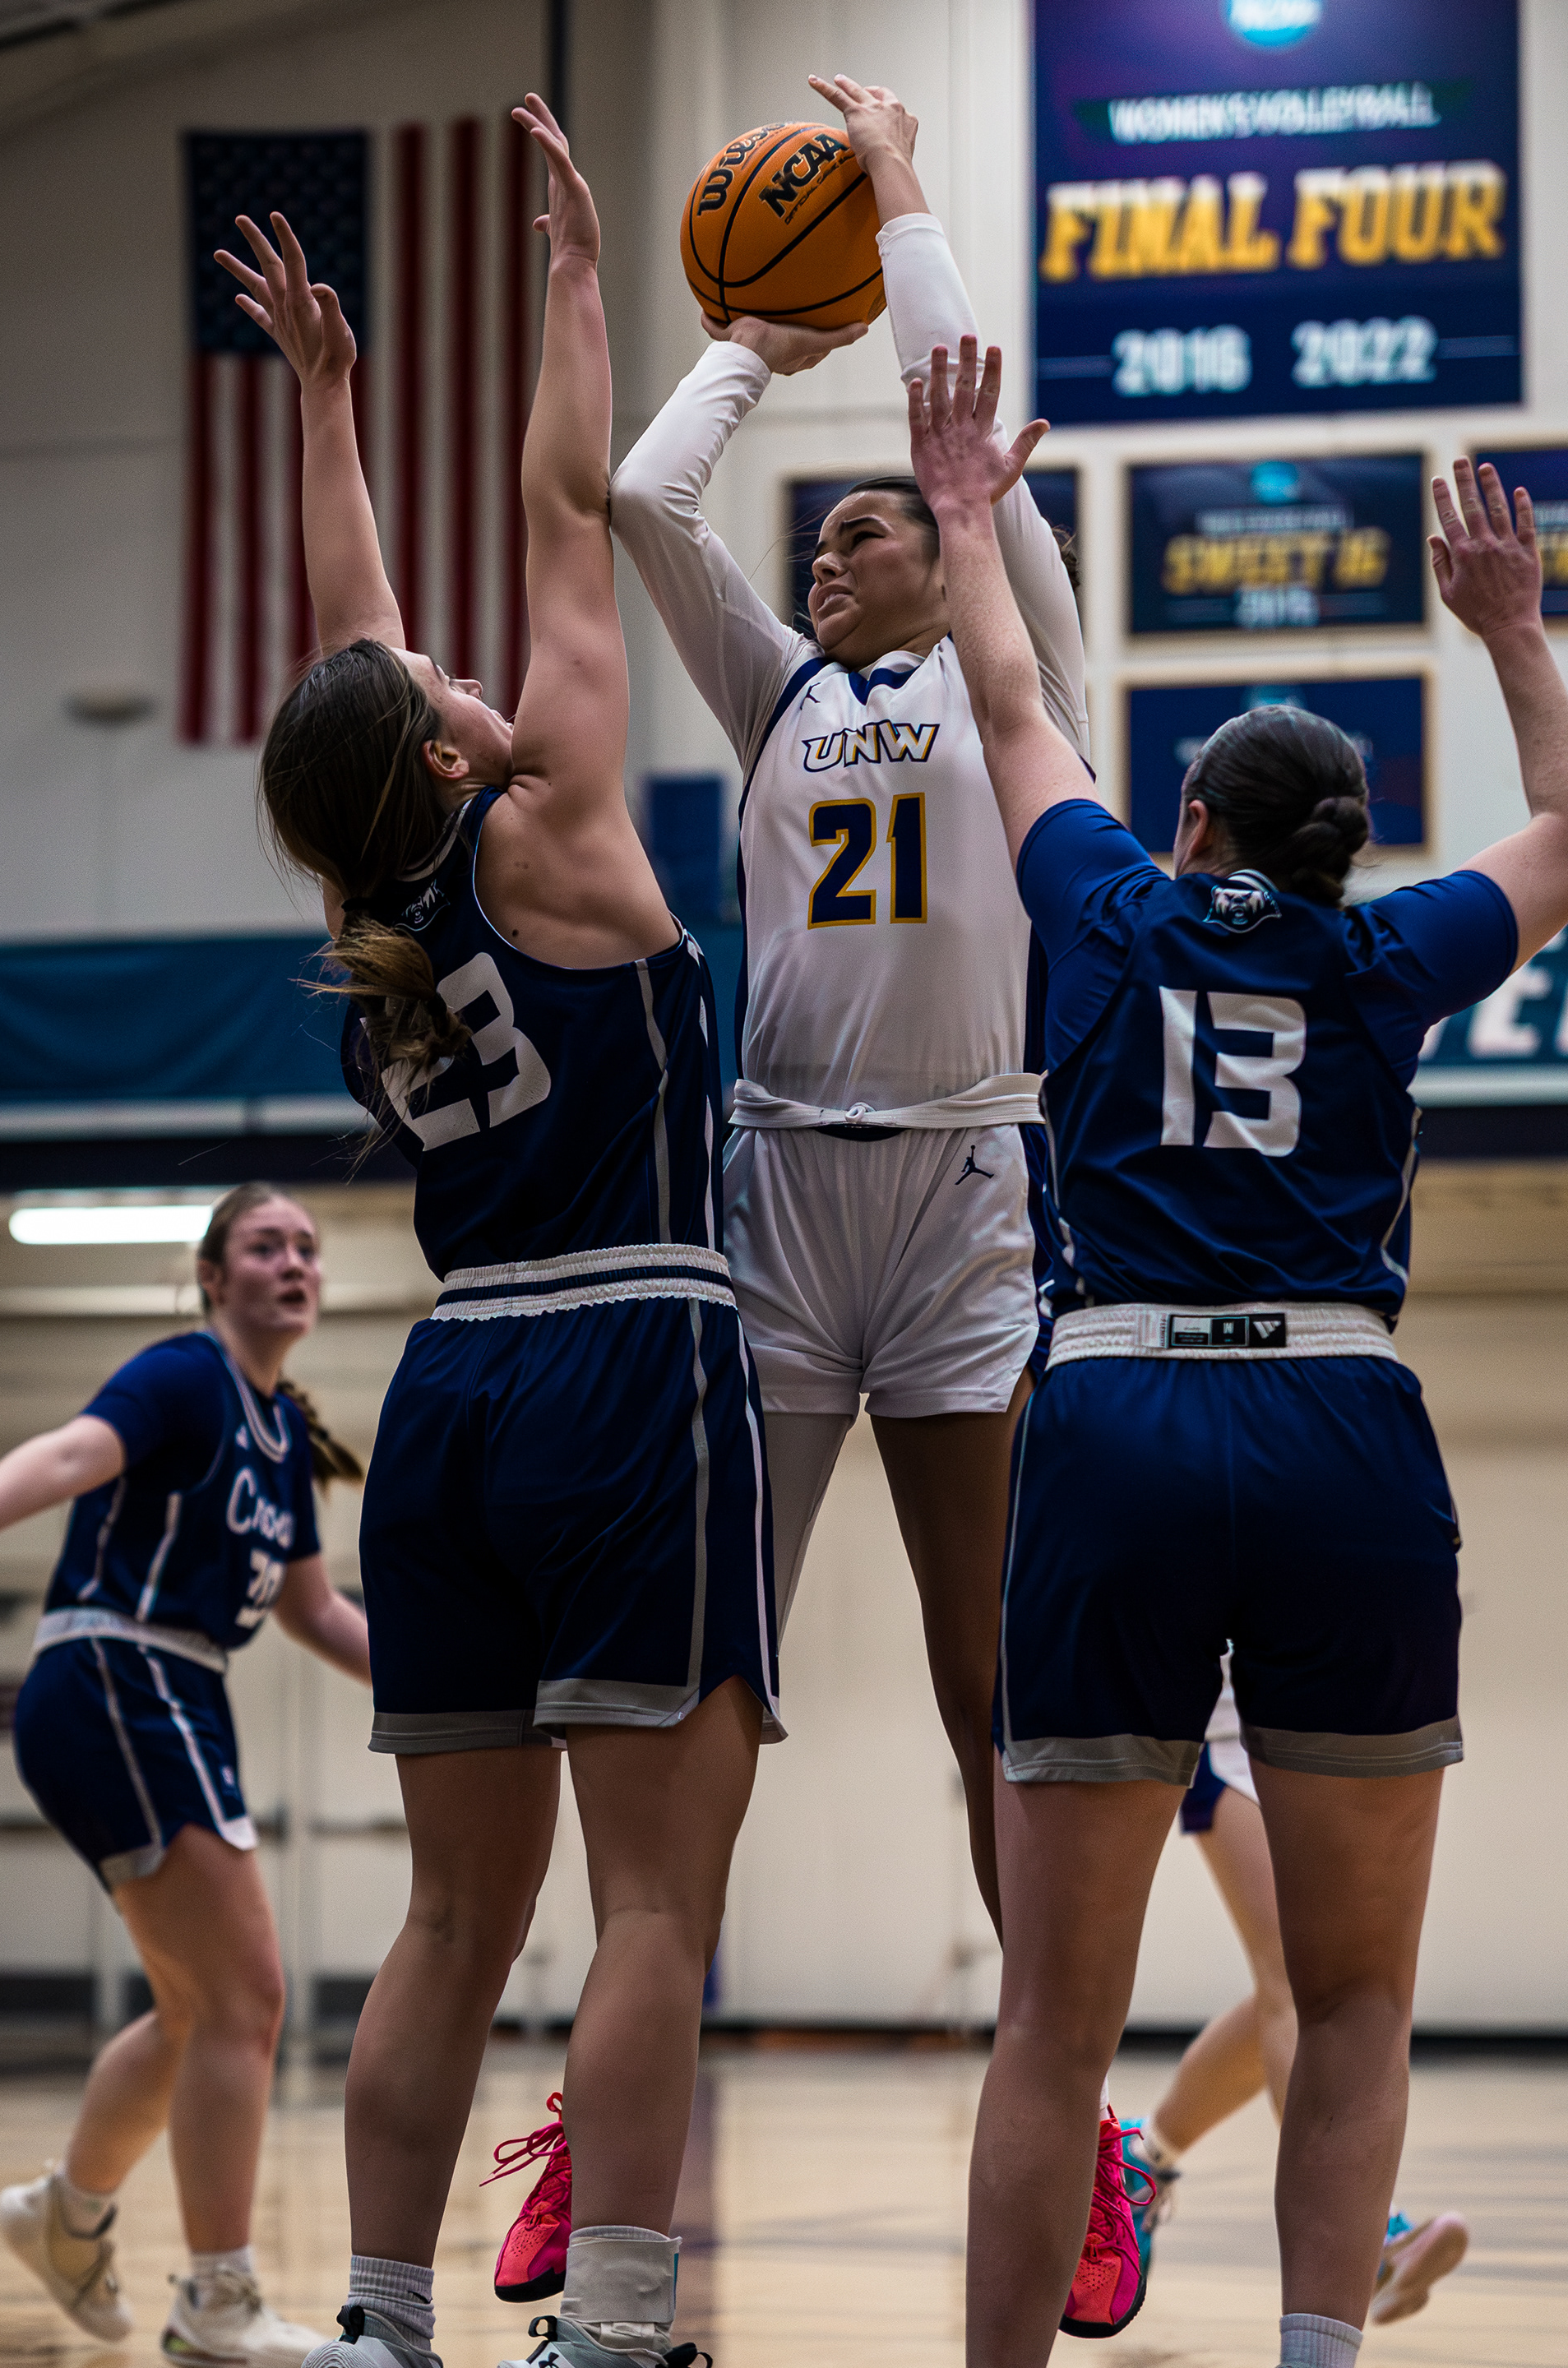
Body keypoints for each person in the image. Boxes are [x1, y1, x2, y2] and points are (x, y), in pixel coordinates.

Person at [907, 340, 1566, 2368]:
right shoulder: (1386, 956)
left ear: (1188, 822)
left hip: (1115, 1408)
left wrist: (963, 513)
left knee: (1054, 2016)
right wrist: (1511, 631)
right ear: (1344, 850)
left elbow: (1006, 702)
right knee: (1354, 1995)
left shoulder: (1110, 909)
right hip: (1338, 1426)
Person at [217, 94, 777, 2368]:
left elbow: (355, 653)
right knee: (650, 1904)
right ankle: (614, 2328)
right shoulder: (553, 829)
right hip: (632, 1360)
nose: (462, 662)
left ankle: (378, 2319)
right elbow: (567, 513)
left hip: (451, 1385)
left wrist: (329, 411)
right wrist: (573, 280)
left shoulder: (381, 899)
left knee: (451, 1921)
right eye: (443, 686)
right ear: (450, 752)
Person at [597, 76, 1140, 2342]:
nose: (827, 553)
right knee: (708, 1670)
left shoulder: (1026, 671)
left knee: (982, 1680)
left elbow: (956, 414)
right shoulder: (777, 690)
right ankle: (608, 2125)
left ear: (950, 543)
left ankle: (1080, 2127)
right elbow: (644, 495)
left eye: (867, 530)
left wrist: (898, 196)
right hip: (779, 1202)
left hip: (971, 1196)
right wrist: (748, 337)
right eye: (815, 539)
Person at [0, 1183, 369, 2367]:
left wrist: (460, 1689)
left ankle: (66, 2215)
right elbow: (68, 1455)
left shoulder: (284, 1440)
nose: (293, 1263)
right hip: (117, 1667)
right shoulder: (180, 1376)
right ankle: (217, 2299)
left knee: (198, 2009)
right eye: (265, 1246)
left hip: (179, 1689)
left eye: (307, 1247)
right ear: (213, 1277)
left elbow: (315, 1611)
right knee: (248, 1996)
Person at [1121, 1667, 1469, 2324]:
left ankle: (1141, 2159)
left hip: (1324, 1719)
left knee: (1314, 1986)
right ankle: (1368, 2236)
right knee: (1297, 1983)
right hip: (1226, 1732)